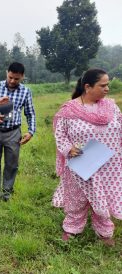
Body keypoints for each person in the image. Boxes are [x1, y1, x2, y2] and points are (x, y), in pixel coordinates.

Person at [52, 68, 121, 246]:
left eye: (108, 85)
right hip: (81, 163)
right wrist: (68, 149)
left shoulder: (111, 107)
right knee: (77, 198)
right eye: (103, 85)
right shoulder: (69, 110)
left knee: (103, 197)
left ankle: (104, 232)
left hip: (109, 164)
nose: (107, 89)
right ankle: (72, 229)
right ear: (88, 87)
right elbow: (60, 134)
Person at [0, 62, 36, 204]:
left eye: (16, 79)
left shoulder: (26, 92)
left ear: (23, 77)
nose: (12, 81)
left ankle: (7, 193)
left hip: (13, 133)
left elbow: (30, 113)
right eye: (10, 77)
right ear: (7, 73)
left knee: (12, 164)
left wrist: (30, 132)